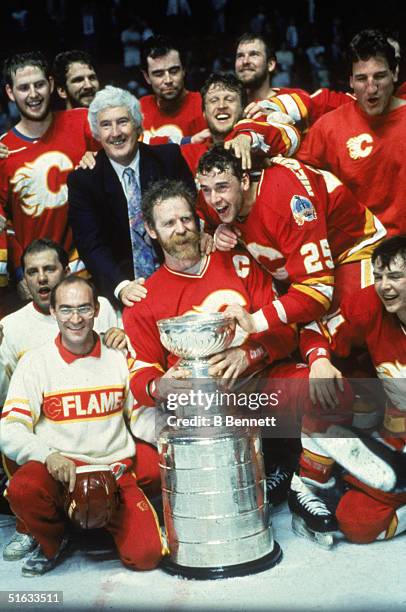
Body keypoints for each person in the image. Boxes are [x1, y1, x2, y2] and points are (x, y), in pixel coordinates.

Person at [122, 178, 353, 508]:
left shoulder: (240, 263)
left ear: (198, 220)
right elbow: (140, 376)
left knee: (333, 390)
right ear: (152, 230)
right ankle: (271, 470)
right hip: (203, 408)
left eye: (186, 219)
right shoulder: (144, 300)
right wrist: (162, 386)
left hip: (259, 383)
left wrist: (250, 352)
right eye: (169, 223)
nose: (181, 229)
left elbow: (286, 330)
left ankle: (307, 484)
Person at [0, 276, 164, 576]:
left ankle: (103, 523)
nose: (75, 319)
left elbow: (139, 417)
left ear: (97, 310)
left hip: (113, 470)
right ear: (53, 312)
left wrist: (174, 437)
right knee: (23, 487)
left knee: (147, 556)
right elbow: (10, 428)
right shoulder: (35, 362)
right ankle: (54, 538)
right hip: (62, 472)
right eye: (66, 309)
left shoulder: (118, 356)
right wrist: (47, 454)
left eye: (84, 308)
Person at [293, 235, 406, 546]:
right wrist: (318, 362)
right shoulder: (372, 303)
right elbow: (315, 329)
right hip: (394, 445)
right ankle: (315, 483)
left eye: (395, 276)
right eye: (379, 276)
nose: (385, 286)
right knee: (356, 523)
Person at [196, 146, 385, 332]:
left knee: (344, 327)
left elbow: (318, 291)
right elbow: (201, 216)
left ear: (244, 181)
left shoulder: (285, 203)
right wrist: (215, 232)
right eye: (206, 190)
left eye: (222, 187)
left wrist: (256, 321)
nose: (214, 199)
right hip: (302, 269)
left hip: (353, 251)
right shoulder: (219, 198)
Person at [67, 86, 195, 307]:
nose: (115, 133)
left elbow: (192, 217)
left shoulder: (168, 159)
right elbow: (91, 244)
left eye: (123, 121)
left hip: (182, 280)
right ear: (97, 133)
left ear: (137, 126)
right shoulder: (84, 180)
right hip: (123, 290)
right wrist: (122, 286)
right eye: (106, 125)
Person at [0, 51, 100, 299]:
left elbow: (131, 145)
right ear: (10, 93)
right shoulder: (4, 151)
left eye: (39, 84)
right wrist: (21, 272)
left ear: (52, 85)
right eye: (24, 87)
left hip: (88, 269)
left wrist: (101, 160)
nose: (33, 94)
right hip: (36, 279)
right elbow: (4, 222)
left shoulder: (82, 122)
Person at [296, 29, 406, 236]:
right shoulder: (328, 128)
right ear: (351, 82)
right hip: (355, 251)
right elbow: (299, 190)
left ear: (395, 74)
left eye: (380, 76)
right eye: (362, 79)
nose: (371, 88)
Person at [0, 238, 124, 407]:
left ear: (66, 272)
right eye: (32, 272)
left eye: (49, 269)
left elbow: (127, 372)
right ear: (25, 279)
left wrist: (125, 341)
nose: (41, 278)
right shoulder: (10, 326)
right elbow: (5, 399)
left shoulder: (101, 308)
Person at [140, 35, 209, 144]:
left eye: (174, 71)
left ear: (184, 70)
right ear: (147, 77)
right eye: (158, 74)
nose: (168, 80)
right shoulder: (139, 109)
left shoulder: (205, 105)